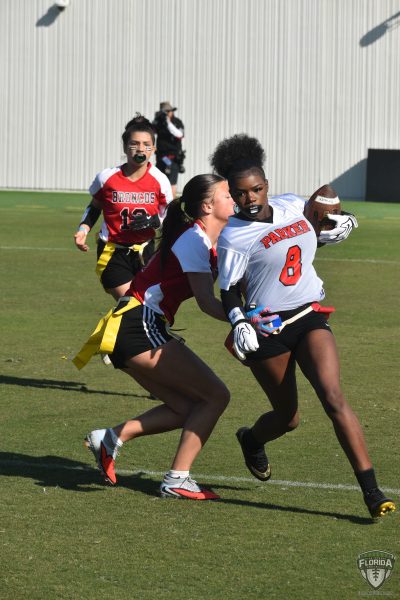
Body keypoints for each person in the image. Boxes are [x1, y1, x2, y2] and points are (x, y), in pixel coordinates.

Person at [210, 133, 396, 519]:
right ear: (232, 194)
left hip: (308, 315)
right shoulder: (233, 236)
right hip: (268, 329)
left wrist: (333, 229)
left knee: (333, 397)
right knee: (288, 417)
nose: (250, 198)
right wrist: (238, 320)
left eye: (256, 189)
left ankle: (372, 492)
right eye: (241, 193)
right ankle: (252, 440)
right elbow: (228, 289)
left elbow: (306, 242)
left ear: (267, 185)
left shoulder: (293, 205)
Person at [73, 174, 235, 500]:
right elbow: (206, 302)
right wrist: (242, 321)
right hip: (137, 325)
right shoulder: (195, 240)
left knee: (185, 407)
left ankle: (111, 438)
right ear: (207, 206)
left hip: (135, 325)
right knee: (215, 396)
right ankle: (177, 479)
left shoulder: (206, 238)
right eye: (227, 195)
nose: (234, 200)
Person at [74, 114, 173, 302]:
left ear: (154, 148)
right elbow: (94, 207)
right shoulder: (107, 177)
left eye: (146, 144)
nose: (140, 148)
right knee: (131, 303)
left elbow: (169, 215)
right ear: (125, 147)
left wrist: (154, 221)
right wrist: (83, 229)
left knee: (146, 307)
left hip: (146, 251)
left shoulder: (160, 180)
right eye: (134, 143)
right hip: (113, 252)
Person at [152, 101, 185, 199]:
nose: (168, 113)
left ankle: (171, 204)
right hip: (161, 157)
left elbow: (180, 135)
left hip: (173, 158)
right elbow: (151, 132)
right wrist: (156, 120)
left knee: (172, 184)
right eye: (165, 112)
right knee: (158, 182)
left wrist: (168, 123)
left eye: (169, 111)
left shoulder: (177, 122)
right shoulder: (159, 122)